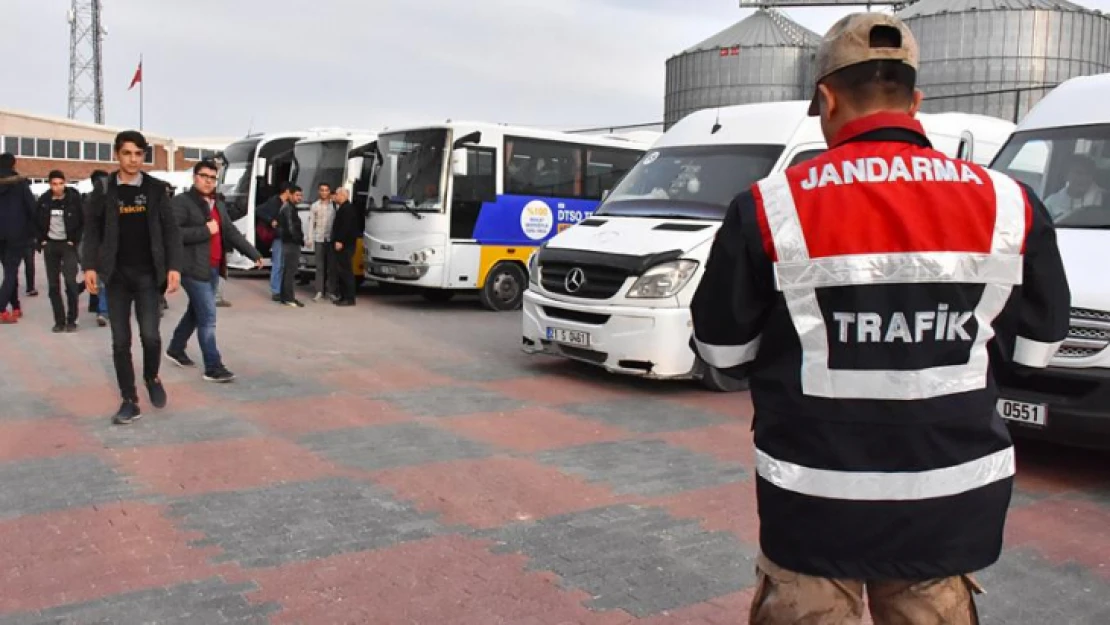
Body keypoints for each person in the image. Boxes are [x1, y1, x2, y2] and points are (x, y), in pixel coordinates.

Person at [689, 13, 1071, 625]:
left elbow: (721, 352)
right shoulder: (1010, 204)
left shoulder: (769, 206)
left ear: (826, 98)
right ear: (915, 101)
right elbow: (1036, 351)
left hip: (812, 505)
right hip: (948, 502)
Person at [83, 130, 183, 425]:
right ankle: (129, 400)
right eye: (127, 153)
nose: (133, 159)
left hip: (148, 276)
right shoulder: (104, 190)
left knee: (150, 336)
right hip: (116, 276)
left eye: (138, 154)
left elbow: (170, 231)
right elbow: (92, 231)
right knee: (120, 341)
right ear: (117, 154)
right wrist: (89, 266)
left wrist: (174, 267)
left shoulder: (155, 189)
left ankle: (151, 376)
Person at [166, 160, 262, 382]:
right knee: (208, 317)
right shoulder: (181, 203)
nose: (208, 181)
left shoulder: (217, 203)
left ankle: (175, 348)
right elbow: (173, 235)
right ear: (195, 177)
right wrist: (204, 230)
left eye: (212, 178)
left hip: (212, 267)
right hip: (192, 269)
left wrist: (253, 253)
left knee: (196, 312)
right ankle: (213, 366)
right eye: (204, 176)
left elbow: (230, 231)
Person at [36, 170, 84, 332]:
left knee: (70, 282)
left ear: (65, 183)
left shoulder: (73, 199)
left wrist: (74, 240)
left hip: (68, 245)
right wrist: (41, 240)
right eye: (54, 184)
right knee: (53, 285)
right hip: (50, 245)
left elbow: (83, 221)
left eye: (61, 183)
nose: (58, 187)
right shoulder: (44, 200)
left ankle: (72, 319)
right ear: (50, 185)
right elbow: (35, 221)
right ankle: (59, 320)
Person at [0, 153, 38, 324]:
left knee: (10, 271)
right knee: (11, 271)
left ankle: (15, 306)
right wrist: (35, 232)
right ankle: (1, 309)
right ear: (13, 165)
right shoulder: (20, 183)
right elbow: (32, 208)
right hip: (16, 234)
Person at [1044, 154, 1105, 222]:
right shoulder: (1052, 202)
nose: (1084, 178)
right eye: (1079, 173)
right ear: (1066, 175)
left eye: (1088, 174)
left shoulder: (1105, 198)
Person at [256, 185, 289, 302]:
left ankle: (280, 289)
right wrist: (270, 220)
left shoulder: (285, 203)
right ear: (287, 191)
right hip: (277, 237)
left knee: (282, 264)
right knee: (278, 264)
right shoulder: (275, 201)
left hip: (283, 236)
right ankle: (276, 291)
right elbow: (258, 210)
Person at [330, 187, 360, 306]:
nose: (335, 197)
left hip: (345, 245)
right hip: (343, 244)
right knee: (341, 271)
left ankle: (349, 298)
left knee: (346, 272)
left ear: (343, 195)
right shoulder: (343, 208)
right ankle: (343, 296)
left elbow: (345, 227)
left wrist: (340, 240)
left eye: (336, 194)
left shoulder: (348, 209)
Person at [277, 185, 306, 307]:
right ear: (291, 195)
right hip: (291, 243)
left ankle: (285, 296)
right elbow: (290, 227)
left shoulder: (289, 207)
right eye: (297, 195)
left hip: (288, 242)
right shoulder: (288, 208)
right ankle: (289, 298)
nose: (299, 198)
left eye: (301, 195)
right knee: (290, 271)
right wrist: (298, 239)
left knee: (288, 270)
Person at [308, 182, 337, 301]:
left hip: (330, 239)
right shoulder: (315, 206)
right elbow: (311, 223)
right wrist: (309, 238)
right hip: (319, 238)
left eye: (326, 190)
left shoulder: (334, 206)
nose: (324, 192)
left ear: (329, 191)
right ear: (319, 191)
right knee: (319, 266)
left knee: (331, 266)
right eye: (322, 190)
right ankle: (319, 291)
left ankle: (331, 291)